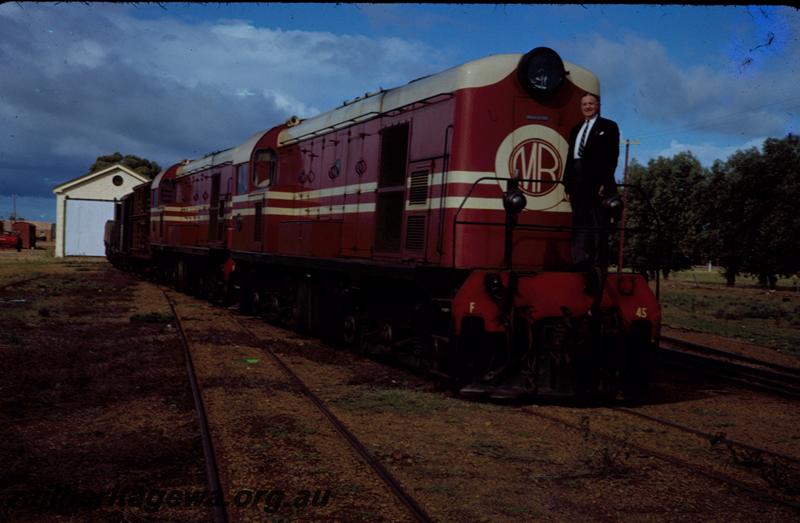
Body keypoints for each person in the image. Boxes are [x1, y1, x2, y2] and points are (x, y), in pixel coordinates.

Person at [563, 92, 620, 282]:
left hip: (596, 182)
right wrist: (566, 185)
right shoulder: (576, 129)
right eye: (584, 104)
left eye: (591, 103)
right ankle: (579, 261)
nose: (587, 107)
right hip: (576, 181)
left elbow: (612, 155)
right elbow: (570, 158)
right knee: (579, 221)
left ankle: (597, 264)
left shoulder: (608, 126)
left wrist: (605, 181)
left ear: (598, 106)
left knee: (597, 222)